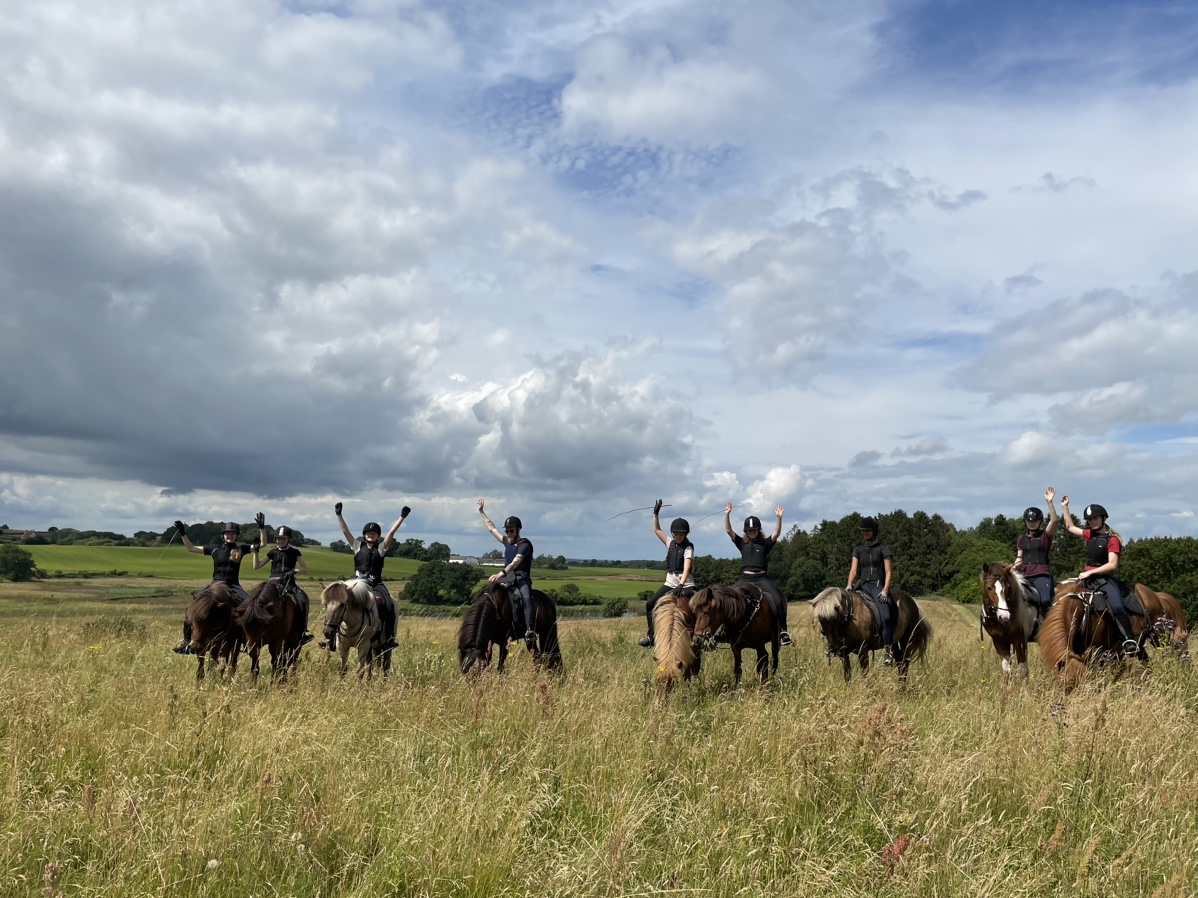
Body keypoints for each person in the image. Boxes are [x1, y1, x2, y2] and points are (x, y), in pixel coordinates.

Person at [1060, 497, 1137, 656]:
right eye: (1089, 520)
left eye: (1095, 518)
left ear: (1103, 518)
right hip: (1087, 578)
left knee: (1116, 606)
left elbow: (1112, 564)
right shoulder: (1090, 535)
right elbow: (1069, 526)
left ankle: (1129, 639)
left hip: (1104, 579)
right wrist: (1065, 507)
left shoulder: (1113, 540)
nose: (1092, 522)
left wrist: (1090, 572)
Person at [332, 501, 410, 654]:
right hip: (357, 582)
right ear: (364, 535)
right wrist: (339, 515)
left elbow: (391, 533)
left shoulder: (381, 548)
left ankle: (389, 638)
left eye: (373, 534)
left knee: (389, 604)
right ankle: (331, 638)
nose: (370, 535)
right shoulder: (356, 546)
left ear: (378, 536)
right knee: (336, 600)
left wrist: (402, 517)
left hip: (375, 584)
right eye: (368, 533)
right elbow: (345, 531)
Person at [172, 520, 252, 654]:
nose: (229, 536)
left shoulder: (241, 549)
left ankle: (246, 640)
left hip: (233, 585)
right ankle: (187, 641)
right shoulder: (215, 548)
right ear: (223, 535)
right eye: (227, 534)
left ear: (236, 536)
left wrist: (261, 528)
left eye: (232, 534)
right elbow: (191, 548)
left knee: (249, 608)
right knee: (192, 608)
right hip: (215, 584)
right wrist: (183, 533)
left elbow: (262, 544)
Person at [724, 502, 792, 646]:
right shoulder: (742, 543)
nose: (752, 532)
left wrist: (779, 518)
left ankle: (783, 631)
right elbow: (729, 530)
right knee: (728, 598)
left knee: (777, 599)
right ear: (746, 531)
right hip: (745, 578)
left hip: (761, 578)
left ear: (758, 530)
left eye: (754, 530)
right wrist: (727, 514)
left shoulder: (765, 543)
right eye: (749, 531)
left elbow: (777, 533)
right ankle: (725, 632)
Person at [478, 498, 537, 650]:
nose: (508, 533)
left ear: (518, 530)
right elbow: (492, 528)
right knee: (490, 593)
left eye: (511, 530)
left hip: (520, 577)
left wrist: (500, 573)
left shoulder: (525, 544)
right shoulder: (506, 542)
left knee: (526, 597)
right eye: (507, 531)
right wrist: (482, 512)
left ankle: (530, 630)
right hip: (506, 577)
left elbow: (515, 563)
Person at [249, 512, 313, 646]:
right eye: (278, 539)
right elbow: (257, 566)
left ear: (288, 539)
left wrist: (293, 571)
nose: (280, 541)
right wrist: (255, 552)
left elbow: (305, 568)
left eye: (283, 539)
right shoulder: (273, 552)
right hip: (273, 582)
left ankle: (302, 632)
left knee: (302, 599)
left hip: (289, 583)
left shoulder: (295, 552)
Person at [639, 500, 695, 648]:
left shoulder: (688, 548)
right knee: (650, 604)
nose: (677, 537)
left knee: (699, 607)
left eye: (680, 534)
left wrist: (681, 585)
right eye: (675, 534)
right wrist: (656, 514)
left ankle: (698, 637)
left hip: (685, 584)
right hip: (670, 583)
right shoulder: (670, 543)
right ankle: (652, 636)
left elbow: (687, 568)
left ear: (685, 534)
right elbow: (657, 530)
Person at [845, 516, 897, 664]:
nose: (865, 533)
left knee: (886, 616)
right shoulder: (858, 550)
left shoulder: (883, 548)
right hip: (861, 584)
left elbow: (888, 572)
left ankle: (888, 650)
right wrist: (849, 585)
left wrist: (885, 590)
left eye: (868, 530)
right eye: (863, 531)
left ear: (874, 531)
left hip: (877, 585)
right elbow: (854, 570)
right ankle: (836, 645)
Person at [1012, 487, 1059, 614]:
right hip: (1025, 576)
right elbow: (1020, 558)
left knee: (1044, 601)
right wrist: (1012, 568)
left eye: (1035, 521)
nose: (1032, 523)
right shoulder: (1021, 539)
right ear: (1025, 522)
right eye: (1029, 521)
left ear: (1040, 521)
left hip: (1041, 575)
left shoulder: (1044, 536)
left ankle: (1048, 628)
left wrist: (1049, 502)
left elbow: (1054, 520)